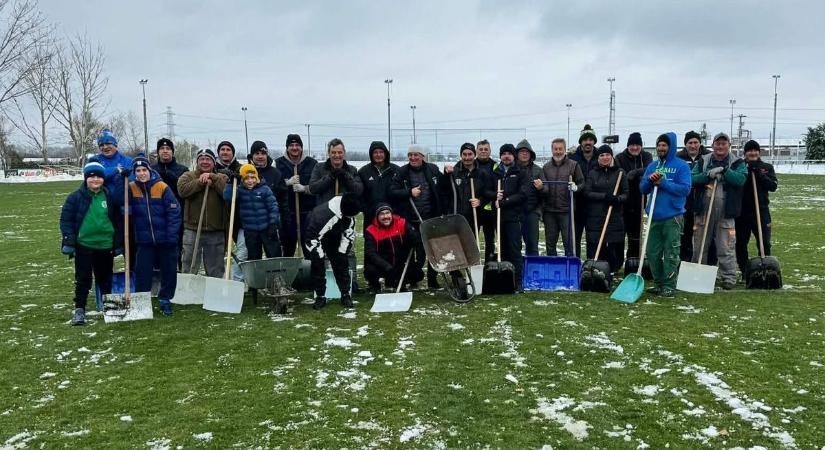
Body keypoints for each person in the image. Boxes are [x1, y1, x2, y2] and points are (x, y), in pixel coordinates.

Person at [60, 162, 122, 326]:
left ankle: (109, 308)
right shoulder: (75, 197)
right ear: (86, 178)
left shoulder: (109, 197)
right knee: (83, 279)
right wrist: (69, 240)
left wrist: (117, 243)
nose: (95, 179)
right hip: (84, 245)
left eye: (99, 176)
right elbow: (66, 220)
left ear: (103, 179)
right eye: (91, 176)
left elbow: (117, 221)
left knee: (105, 278)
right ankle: (80, 309)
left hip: (105, 245)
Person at [691, 132, 748, 290]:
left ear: (729, 145)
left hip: (726, 210)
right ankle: (698, 274)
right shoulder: (703, 160)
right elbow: (692, 179)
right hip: (703, 209)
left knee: (726, 246)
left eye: (724, 144)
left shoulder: (737, 162)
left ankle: (728, 277)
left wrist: (725, 171)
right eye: (718, 143)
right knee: (700, 244)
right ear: (713, 145)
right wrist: (707, 175)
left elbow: (741, 180)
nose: (720, 146)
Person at [639, 132, 692, 297]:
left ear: (671, 147)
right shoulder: (652, 166)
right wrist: (649, 180)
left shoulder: (681, 166)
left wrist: (664, 183)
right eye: (659, 145)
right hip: (655, 215)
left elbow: (685, 189)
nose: (661, 148)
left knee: (671, 252)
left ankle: (669, 284)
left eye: (664, 145)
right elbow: (642, 189)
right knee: (652, 252)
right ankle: (658, 282)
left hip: (673, 217)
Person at [128, 155, 181, 316]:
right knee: (142, 272)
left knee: (169, 271)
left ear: (149, 170)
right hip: (144, 240)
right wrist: (119, 179)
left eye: (144, 170)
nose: (141, 173)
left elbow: (174, 212)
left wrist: (171, 236)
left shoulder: (161, 187)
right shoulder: (131, 187)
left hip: (165, 238)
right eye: (138, 170)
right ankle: (142, 302)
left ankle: (165, 299)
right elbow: (118, 199)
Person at [308, 138, 363, 292]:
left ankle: (351, 285)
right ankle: (325, 289)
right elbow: (313, 188)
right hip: (324, 220)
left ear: (344, 153)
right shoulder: (319, 168)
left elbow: (359, 190)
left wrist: (345, 176)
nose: (337, 156)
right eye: (333, 152)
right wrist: (330, 177)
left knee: (347, 252)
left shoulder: (351, 169)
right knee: (322, 254)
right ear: (329, 153)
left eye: (339, 152)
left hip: (345, 219)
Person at [389, 145, 446, 289]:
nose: (413, 158)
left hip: (430, 217)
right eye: (410, 155)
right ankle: (413, 278)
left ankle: (433, 280)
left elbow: (443, 185)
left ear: (422, 156)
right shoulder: (402, 172)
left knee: (433, 250)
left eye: (416, 155)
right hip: (410, 220)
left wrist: (448, 174)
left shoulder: (432, 169)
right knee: (413, 251)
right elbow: (392, 192)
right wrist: (409, 192)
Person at [177, 149, 229, 278]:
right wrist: (200, 182)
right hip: (192, 229)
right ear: (197, 161)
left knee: (215, 268)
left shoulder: (222, 177)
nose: (205, 162)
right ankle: (189, 294)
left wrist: (213, 178)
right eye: (202, 159)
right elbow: (182, 191)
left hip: (215, 229)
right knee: (189, 264)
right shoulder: (187, 176)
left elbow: (228, 193)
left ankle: (214, 295)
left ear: (213, 162)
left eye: (208, 159)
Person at [305, 193, 360, 309]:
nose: (351, 218)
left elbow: (349, 234)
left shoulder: (349, 212)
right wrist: (319, 255)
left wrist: (342, 251)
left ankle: (345, 294)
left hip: (334, 236)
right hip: (314, 238)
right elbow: (311, 239)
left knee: (341, 263)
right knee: (318, 266)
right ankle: (320, 296)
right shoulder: (322, 216)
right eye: (350, 215)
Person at [735, 140, 778, 276]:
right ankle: (745, 270)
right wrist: (747, 171)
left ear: (758, 152)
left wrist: (759, 174)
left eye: (755, 150)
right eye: (749, 150)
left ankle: (766, 269)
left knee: (764, 242)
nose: (752, 153)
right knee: (741, 244)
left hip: (761, 211)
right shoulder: (739, 166)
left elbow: (773, 186)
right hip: (742, 212)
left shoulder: (766, 167)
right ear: (745, 152)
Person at [584, 145, 629, 273]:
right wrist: (604, 196)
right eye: (602, 155)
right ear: (598, 158)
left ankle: (614, 267)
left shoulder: (620, 172)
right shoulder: (593, 173)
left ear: (611, 156)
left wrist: (617, 199)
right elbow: (587, 192)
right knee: (597, 242)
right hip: (596, 214)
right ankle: (596, 267)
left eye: (607, 155)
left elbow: (626, 193)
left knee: (614, 243)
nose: (605, 157)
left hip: (614, 214)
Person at [225, 164, 282, 261]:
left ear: (257, 177)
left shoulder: (264, 189)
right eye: (246, 178)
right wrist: (230, 183)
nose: (250, 181)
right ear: (242, 179)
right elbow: (228, 197)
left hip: (267, 227)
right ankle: (257, 274)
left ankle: (276, 274)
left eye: (253, 177)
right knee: (254, 257)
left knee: (274, 255)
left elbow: (273, 207)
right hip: (250, 230)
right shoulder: (239, 190)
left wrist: (273, 223)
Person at [492, 143, 529, 291]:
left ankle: (518, 281)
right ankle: (505, 280)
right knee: (502, 249)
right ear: (500, 156)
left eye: (509, 153)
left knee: (515, 250)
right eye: (503, 153)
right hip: (499, 217)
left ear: (513, 156)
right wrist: (495, 198)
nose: (506, 156)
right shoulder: (496, 172)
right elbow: (487, 190)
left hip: (514, 217)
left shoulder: (520, 172)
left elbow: (523, 194)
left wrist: (505, 202)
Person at [363, 203, 424, 293]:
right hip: (384, 266)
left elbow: (418, 242)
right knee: (370, 271)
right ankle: (375, 285)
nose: (385, 216)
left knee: (418, 273)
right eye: (382, 214)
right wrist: (387, 267)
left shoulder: (402, 223)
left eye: (387, 213)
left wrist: (419, 262)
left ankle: (404, 282)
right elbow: (371, 253)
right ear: (377, 216)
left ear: (391, 214)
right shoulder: (371, 230)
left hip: (401, 264)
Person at [275, 133, 318, 257]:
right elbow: (274, 187)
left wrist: (304, 188)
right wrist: (287, 182)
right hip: (287, 215)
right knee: (287, 251)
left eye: (297, 145)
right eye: (291, 145)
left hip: (308, 214)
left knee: (310, 250)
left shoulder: (312, 163)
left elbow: (317, 187)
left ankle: (311, 275)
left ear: (301, 147)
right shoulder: (278, 164)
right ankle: (288, 275)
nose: (294, 148)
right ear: (287, 147)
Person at [541, 138, 584, 256]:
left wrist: (576, 187)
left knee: (568, 244)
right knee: (550, 244)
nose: (558, 151)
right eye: (555, 149)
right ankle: (553, 268)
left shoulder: (573, 165)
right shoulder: (546, 167)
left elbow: (582, 183)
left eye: (560, 149)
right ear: (552, 150)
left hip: (567, 211)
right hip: (549, 212)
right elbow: (544, 188)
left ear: (565, 150)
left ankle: (568, 269)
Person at [151, 137, 188, 269]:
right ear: (158, 152)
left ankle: (177, 274)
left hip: (176, 216)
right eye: (162, 149)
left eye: (168, 149)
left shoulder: (182, 170)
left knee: (176, 248)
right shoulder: (151, 169)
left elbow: (185, 191)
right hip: (156, 215)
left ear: (172, 152)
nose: (165, 151)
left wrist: (173, 177)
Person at [614, 132, 653, 262]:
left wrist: (636, 172)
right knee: (620, 234)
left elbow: (650, 169)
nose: (635, 148)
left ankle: (633, 259)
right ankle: (618, 261)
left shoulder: (646, 156)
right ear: (628, 146)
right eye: (632, 145)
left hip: (639, 200)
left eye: (637, 145)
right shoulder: (620, 157)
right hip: (623, 202)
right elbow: (620, 173)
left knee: (635, 235)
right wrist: (629, 175)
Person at [676, 131, 711, 262]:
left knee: (703, 234)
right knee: (685, 233)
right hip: (684, 202)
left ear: (700, 143)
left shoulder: (708, 156)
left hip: (703, 199)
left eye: (695, 142)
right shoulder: (678, 158)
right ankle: (684, 260)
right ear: (685, 144)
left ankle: (703, 261)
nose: (693, 145)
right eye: (690, 143)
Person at [442, 143, 493, 231]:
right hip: (456, 217)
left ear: (474, 155)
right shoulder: (454, 172)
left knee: (471, 243)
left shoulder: (482, 174)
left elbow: (488, 194)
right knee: (457, 244)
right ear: (461, 155)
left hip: (474, 217)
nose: (467, 157)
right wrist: (446, 175)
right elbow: (444, 191)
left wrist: (480, 201)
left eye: (470, 154)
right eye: (464, 154)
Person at [569, 124, 599, 257]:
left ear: (594, 142)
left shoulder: (601, 156)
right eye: (585, 139)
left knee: (593, 239)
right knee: (575, 238)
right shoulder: (573, 158)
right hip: (577, 204)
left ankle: (590, 266)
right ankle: (575, 263)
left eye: (590, 139)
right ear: (581, 142)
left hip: (595, 205)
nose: (588, 142)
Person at [358, 141, 399, 226]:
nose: (378, 155)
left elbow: (400, 192)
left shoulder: (396, 170)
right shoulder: (363, 172)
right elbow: (360, 195)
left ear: (385, 153)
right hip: (371, 218)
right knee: (371, 239)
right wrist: (367, 210)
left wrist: (394, 209)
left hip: (392, 216)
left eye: (381, 152)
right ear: (371, 155)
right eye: (375, 152)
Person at [88, 129, 132, 207]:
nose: (105, 147)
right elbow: (92, 177)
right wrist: (116, 170)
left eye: (108, 143)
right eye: (101, 145)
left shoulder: (127, 160)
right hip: (101, 204)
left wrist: (123, 177)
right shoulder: (95, 160)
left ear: (115, 144)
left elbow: (133, 179)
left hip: (123, 204)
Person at [516, 139, 544, 256]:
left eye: (527, 151)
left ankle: (533, 270)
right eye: (521, 151)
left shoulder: (538, 170)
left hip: (532, 212)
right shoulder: (512, 169)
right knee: (515, 244)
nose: (524, 153)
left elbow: (545, 193)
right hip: (516, 212)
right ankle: (517, 270)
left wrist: (541, 188)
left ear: (531, 154)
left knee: (532, 245)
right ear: (517, 154)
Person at [475, 139, 497, 261]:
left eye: (486, 149)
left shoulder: (495, 166)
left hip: (489, 210)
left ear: (489, 151)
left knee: (490, 240)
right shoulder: (470, 164)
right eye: (481, 149)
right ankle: (473, 264)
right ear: (476, 151)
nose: (483, 151)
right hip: (473, 209)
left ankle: (489, 264)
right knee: (473, 239)